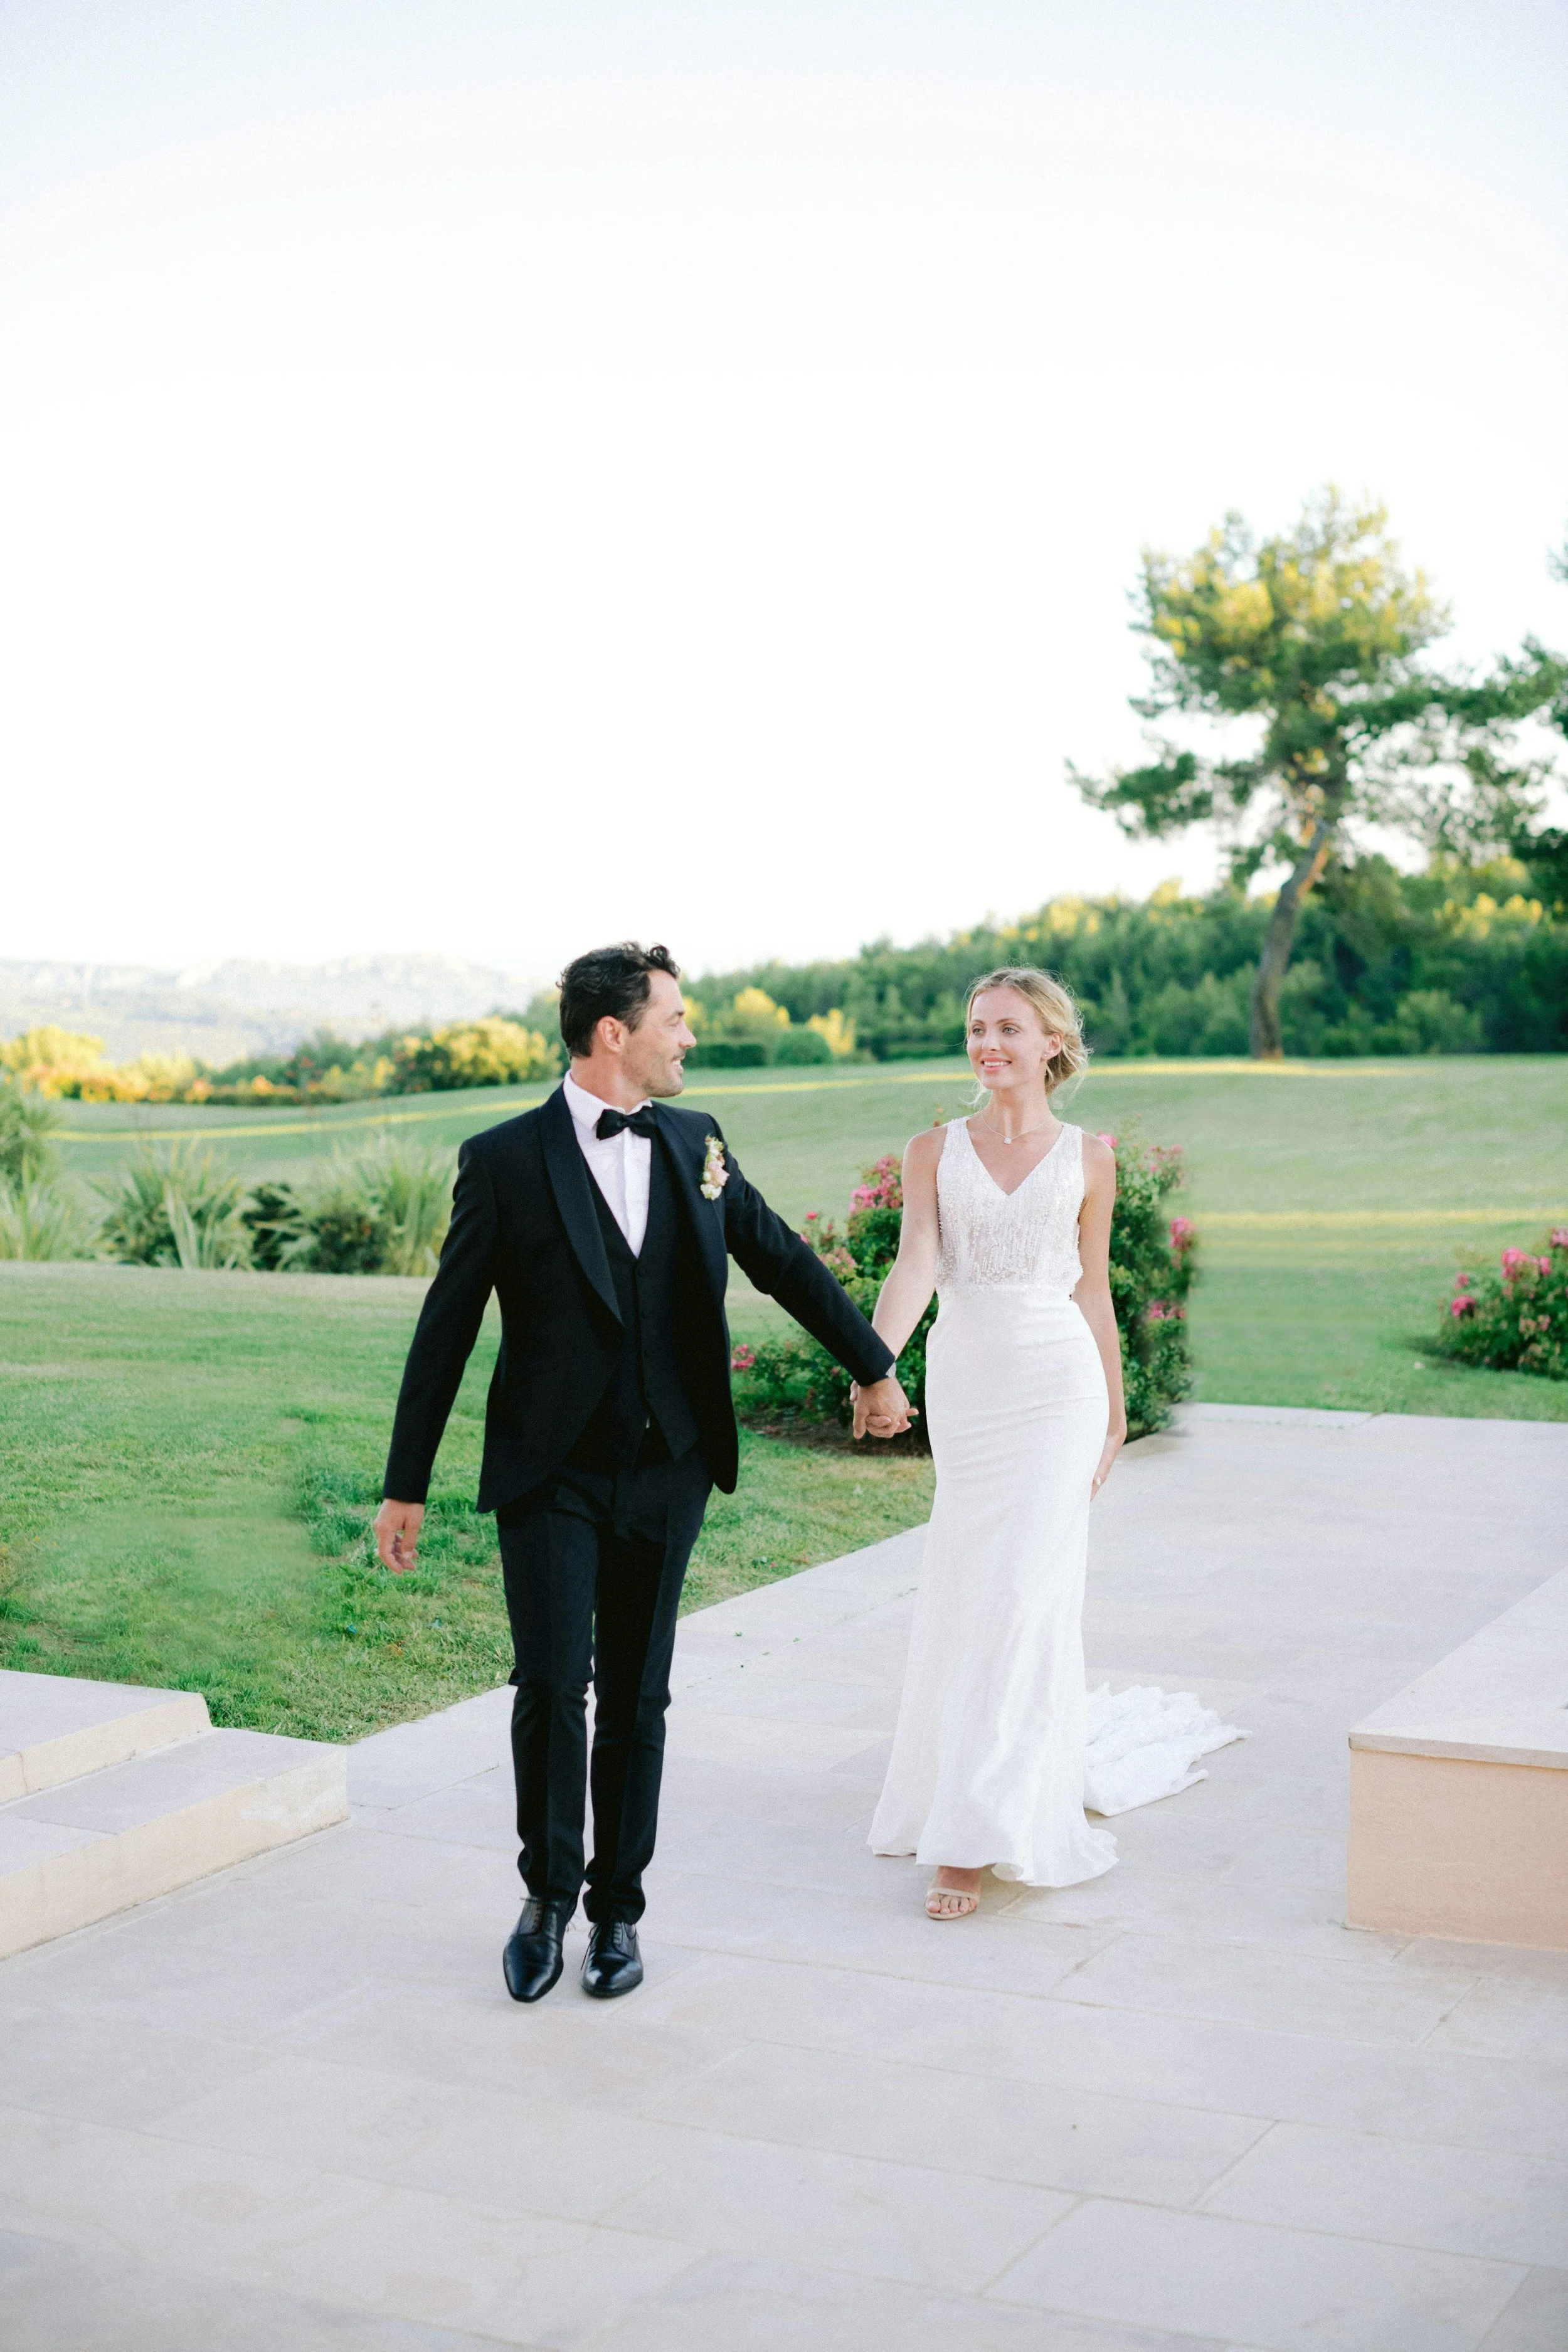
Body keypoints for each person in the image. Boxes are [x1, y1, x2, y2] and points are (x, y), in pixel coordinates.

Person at [374, 942, 911, 2001]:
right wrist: (407, 1482)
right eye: (675, 1017)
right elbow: (446, 1330)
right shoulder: (505, 1158)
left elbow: (783, 1259)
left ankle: (618, 1912)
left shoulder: (698, 1142)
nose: (690, 1035)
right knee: (547, 1687)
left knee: (637, 1695)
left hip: (668, 1468)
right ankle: (546, 1898)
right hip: (550, 1473)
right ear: (614, 1033)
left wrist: (875, 1364)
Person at [864, 965, 1231, 1917]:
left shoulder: (1090, 1157)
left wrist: (1113, 1410)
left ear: (1052, 1045)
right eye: (978, 1028)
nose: (988, 1045)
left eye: (1010, 1030)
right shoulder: (931, 1149)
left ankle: (973, 1838)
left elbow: (1091, 1289)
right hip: (970, 1384)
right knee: (973, 1581)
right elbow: (916, 1266)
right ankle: (971, 1779)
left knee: (1026, 1591)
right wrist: (875, 1364)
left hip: (1059, 1387)